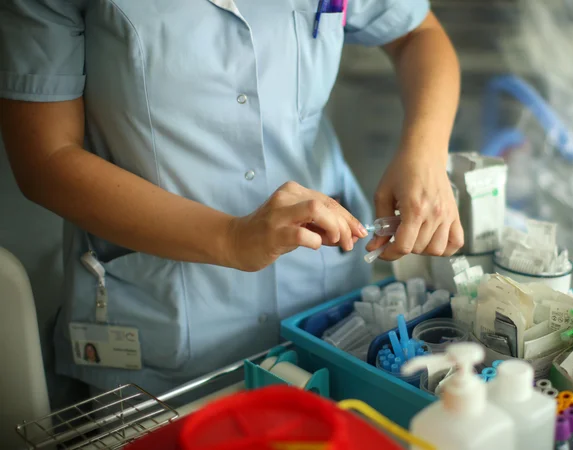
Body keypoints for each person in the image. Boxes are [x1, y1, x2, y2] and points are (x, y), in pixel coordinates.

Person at [0, 0, 462, 398]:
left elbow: (417, 33)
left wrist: (424, 154)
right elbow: (45, 159)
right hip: (163, 314)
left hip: (320, 295)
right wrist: (229, 238)